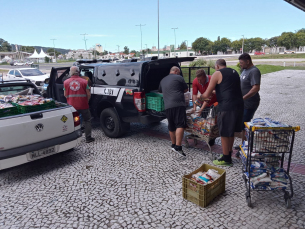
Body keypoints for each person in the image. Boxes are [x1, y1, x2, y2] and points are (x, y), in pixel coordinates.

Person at [199, 59, 244, 166]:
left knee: (224, 132)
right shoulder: (234, 72)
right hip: (239, 105)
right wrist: (216, 92)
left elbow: (206, 95)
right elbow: (228, 88)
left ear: (217, 66)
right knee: (231, 130)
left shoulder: (217, 73)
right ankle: (228, 153)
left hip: (226, 107)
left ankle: (226, 159)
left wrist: (200, 97)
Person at [159, 66, 188, 157]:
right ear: (176, 71)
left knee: (171, 125)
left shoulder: (163, 80)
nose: (179, 74)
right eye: (178, 72)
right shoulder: (179, 78)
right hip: (178, 104)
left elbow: (160, 91)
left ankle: (173, 144)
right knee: (180, 125)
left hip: (168, 106)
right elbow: (186, 90)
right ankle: (178, 147)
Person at [235, 53, 261, 148]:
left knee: (245, 124)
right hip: (243, 103)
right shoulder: (245, 70)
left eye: (241, 63)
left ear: (248, 61)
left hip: (250, 103)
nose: (240, 64)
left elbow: (256, 88)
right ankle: (243, 144)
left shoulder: (254, 71)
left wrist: (243, 98)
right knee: (242, 124)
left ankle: (246, 146)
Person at [64, 66, 95, 143]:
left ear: (70, 72)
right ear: (78, 72)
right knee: (87, 120)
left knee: (73, 121)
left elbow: (65, 94)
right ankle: (88, 138)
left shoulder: (66, 82)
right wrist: (86, 101)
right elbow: (88, 94)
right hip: (83, 105)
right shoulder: (84, 82)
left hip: (72, 106)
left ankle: (73, 138)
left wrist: (69, 100)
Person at [192, 69, 218, 145]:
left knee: (212, 122)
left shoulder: (211, 80)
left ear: (205, 77)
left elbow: (208, 97)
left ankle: (212, 138)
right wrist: (194, 107)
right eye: (198, 80)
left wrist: (201, 109)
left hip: (214, 102)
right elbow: (194, 95)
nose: (199, 82)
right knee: (203, 120)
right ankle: (200, 134)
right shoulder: (195, 81)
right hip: (205, 101)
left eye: (201, 80)